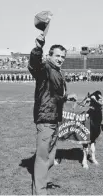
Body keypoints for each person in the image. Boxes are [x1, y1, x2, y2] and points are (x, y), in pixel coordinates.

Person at [28, 31, 77, 195]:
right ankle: (40, 192)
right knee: (42, 158)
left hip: (55, 119)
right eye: (57, 55)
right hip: (45, 118)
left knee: (50, 156)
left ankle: (41, 181)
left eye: (63, 56)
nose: (60, 59)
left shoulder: (57, 71)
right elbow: (34, 64)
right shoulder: (45, 68)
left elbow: (54, 95)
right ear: (49, 56)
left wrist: (66, 97)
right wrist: (38, 47)